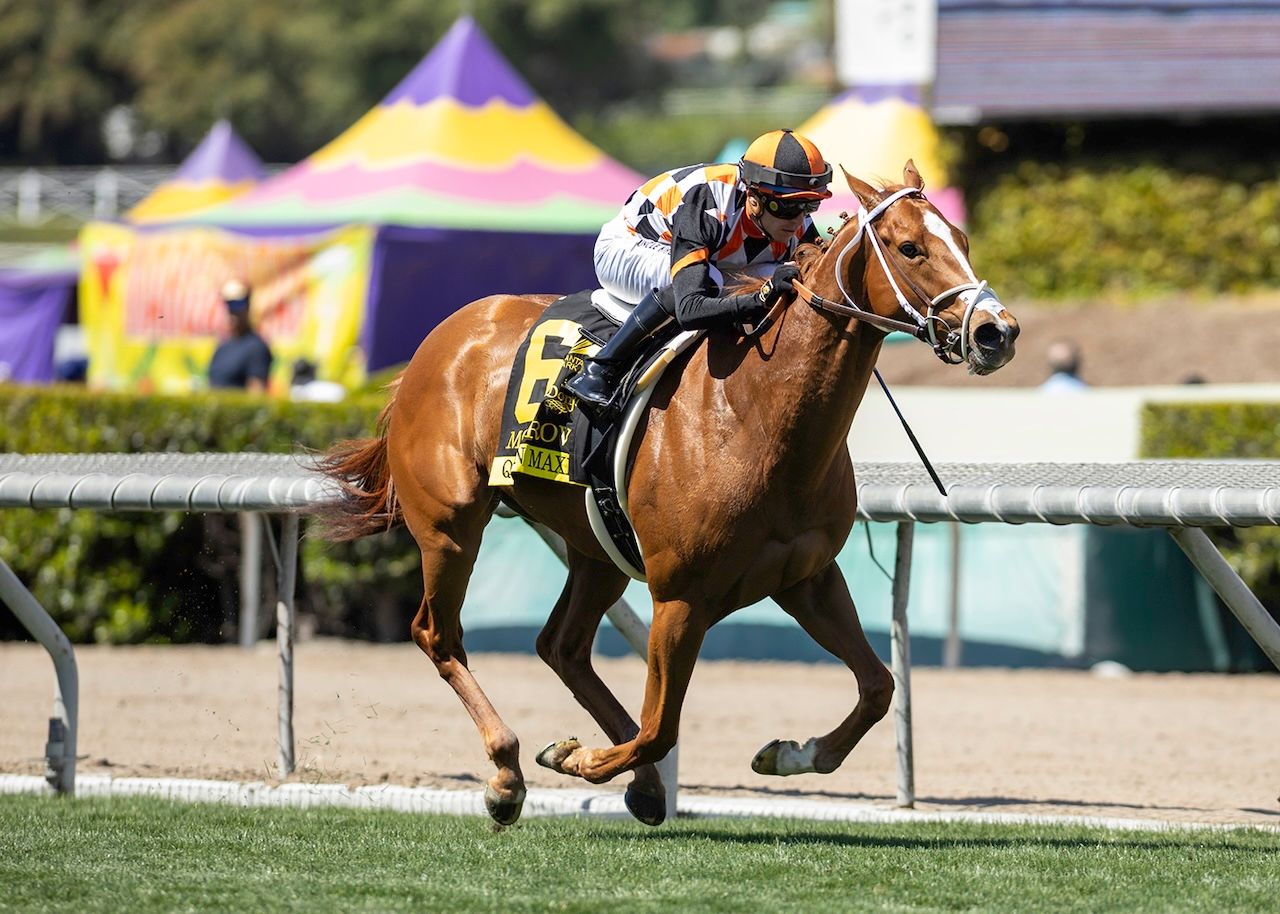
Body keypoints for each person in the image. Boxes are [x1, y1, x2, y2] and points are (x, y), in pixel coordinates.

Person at [564, 128, 833, 416]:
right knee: (713, 281)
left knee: (783, 273)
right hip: (626, 247)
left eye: (809, 205)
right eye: (788, 206)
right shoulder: (706, 200)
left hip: (706, 256)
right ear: (754, 196)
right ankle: (600, 367)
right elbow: (690, 309)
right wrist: (762, 297)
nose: (799, 219)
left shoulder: (794, 219)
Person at [208, 279, 272, 393]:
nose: (232, 310)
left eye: (237, 304)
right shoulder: (223, 346)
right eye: (228, 304)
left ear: (247, 306)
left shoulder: (256, 347)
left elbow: (256, 394)